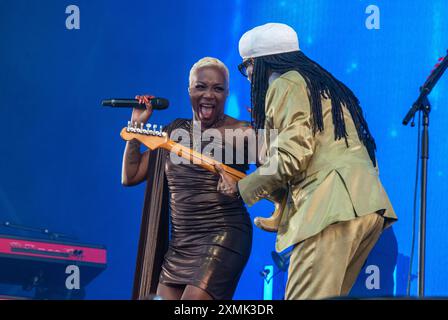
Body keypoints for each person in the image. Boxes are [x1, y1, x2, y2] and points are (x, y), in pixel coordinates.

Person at [215, 23, 398, 299]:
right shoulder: (323, 85)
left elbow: (291, 158)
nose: (248, 76)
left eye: (247, 67)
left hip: (329, 209)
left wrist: (240, 188)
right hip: (366, 207)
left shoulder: (284, 84)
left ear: (262, 62)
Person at [122, 57, 252, 300]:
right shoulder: (173, 132)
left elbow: (278, 175)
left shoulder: (243, 132)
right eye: (201, 87)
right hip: (180, 243)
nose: (209, 95)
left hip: (223, 233)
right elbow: (131, 176)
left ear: (226, 93)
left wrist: (242, 187)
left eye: (218, 88)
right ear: (189, 90)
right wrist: (134, 129)